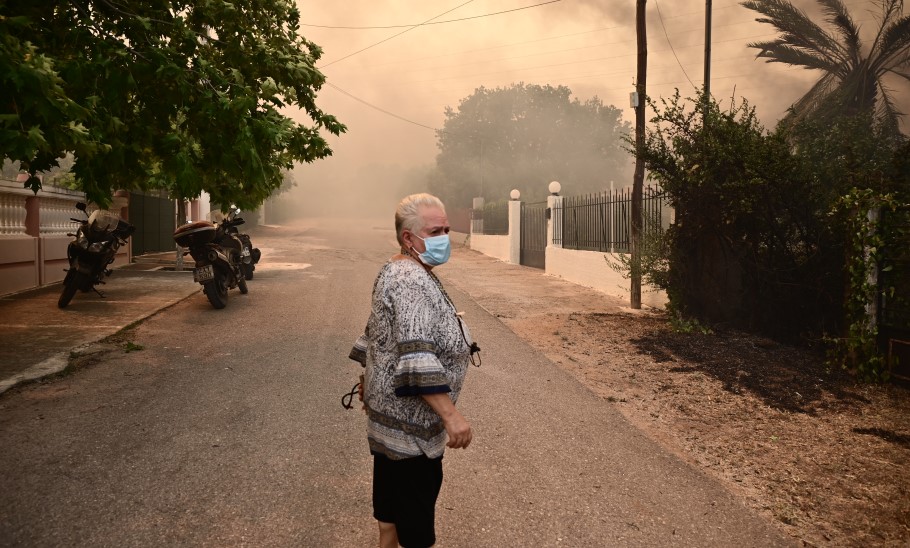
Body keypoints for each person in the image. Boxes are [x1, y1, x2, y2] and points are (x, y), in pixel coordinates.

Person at [349, 193, 478, 548]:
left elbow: (379, 335)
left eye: (447, 229)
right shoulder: (410, 280)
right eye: (436, 231)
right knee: (416, 530)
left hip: (390, 424)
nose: (445, 238)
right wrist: (451, 417)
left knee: (390, 517)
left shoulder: (401, 268)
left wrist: (368, 381)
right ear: (409, 238)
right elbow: (416, 354)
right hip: (412, 434)